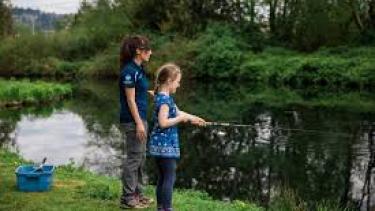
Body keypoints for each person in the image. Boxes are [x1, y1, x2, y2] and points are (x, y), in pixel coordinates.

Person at [148, 63, 206, 211]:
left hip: (159, 145)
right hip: (165, 146)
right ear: (169, 81)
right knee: (169, 178)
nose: (179, 85)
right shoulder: (165, 101)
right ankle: (166, 208)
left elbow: (179, 112)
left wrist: (195, 118)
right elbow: (163, 122)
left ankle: (161, 207)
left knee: (163, 177)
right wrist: (180, 120)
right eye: (178, 82)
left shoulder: (163, 97)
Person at [119, 35, 154, 209]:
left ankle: (138, 194)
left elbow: (138, 90)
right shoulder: (128, 71)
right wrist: (139, 123)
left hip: (140, 119)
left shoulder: (139, 69)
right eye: (147, 49)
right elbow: (130, 100)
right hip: (133, 121)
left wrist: (148, 93)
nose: (150, 52)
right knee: (134, 158)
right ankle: (127, 198)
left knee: (141, 158)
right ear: (138, 51)